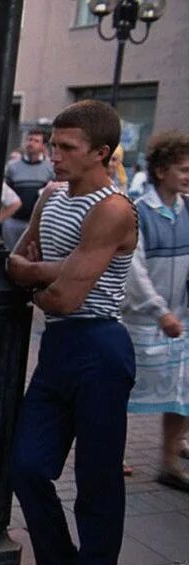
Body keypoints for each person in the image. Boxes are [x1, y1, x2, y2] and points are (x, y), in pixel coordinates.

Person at [6, 100, 138, 565]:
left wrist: (40, 277)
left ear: (101, 153)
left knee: (97, 477)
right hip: (59, 348)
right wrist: (51, 273)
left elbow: (62, 297)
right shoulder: (51, 196)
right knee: (28, 465)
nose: (54, 156)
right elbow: (17, 262)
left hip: (101, 347)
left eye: (67, 148)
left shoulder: (113, 209)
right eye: (53, 145)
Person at [122, 131, 189, 491]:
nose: (188, 176)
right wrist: (158, 310)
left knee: (182, 392)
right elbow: (136, 270)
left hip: (181, 318)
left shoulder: (188, 209)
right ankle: (112, 452)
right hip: (143, 322)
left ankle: (168, 462)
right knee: (125, 389)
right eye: (183, 169)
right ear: (161, 170)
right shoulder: (139, 212)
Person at [3, 129, 56, 252]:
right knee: (10, 254)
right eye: (29, 139)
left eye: (36, 141)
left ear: (43, 146)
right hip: (14, 221)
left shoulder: (50, 167)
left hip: (37, 222)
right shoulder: (12, 166)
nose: (31, 143)